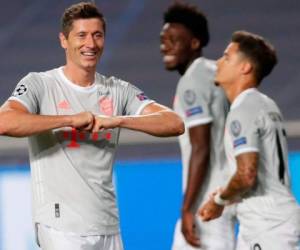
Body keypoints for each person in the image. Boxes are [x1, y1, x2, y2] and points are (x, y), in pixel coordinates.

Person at [0, 2, 184, 250]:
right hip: (60, 225)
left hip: (107, 224)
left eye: (97, 35)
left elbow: (174, 122)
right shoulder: (40, 84)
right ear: (64, 40)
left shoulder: (118, 90)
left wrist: (119, 120)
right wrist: (68, 119)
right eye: (82, 35)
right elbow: (4, 121)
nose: (91, 43)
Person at [199, 30, 300, 250]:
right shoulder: (264, 104)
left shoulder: (244, 107)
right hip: (266, 222)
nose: (218, 62)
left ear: (245, 68)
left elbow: (246, 175)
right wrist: (227, 193)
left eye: (227, 57)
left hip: (268, 225)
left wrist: (218, 202)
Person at [160, 2, 236, 250]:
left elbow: (201, 147)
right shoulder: (217, 72)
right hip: (221, 197)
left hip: (205, 205)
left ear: (194, 43)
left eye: (174, 40)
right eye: (163, 39)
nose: (165, 46)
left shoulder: (192, 81)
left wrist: (187, 208)